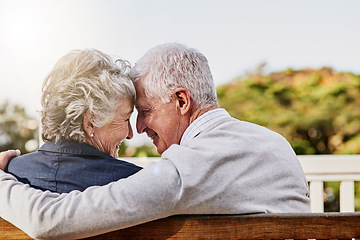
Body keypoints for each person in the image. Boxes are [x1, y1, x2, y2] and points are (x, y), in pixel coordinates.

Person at [0, 43, 310, 240]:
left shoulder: (186, 172)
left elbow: (48, 221)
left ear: (181, 100)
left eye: (145, 111)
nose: (139, 126)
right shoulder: (274, 142)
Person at [4, 49, 142, 193]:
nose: (130, 134)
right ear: (91, 122)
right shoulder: (133, 184)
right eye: (126, 118)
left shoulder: (8, 175)